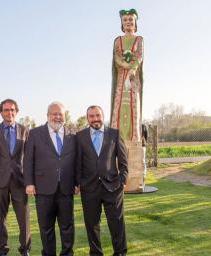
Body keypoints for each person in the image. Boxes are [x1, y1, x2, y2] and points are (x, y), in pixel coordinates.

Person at [24, 101, 78, 256]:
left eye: (60, 114)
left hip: (66, 188)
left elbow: (76, 161)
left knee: (67, 226)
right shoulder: (35, 133)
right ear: (47, 116)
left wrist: (77, 182)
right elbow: (28, 160)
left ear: (65, 116)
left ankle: (67, 253)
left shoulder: (72, 134)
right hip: (43, 188)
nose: (57, 117)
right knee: (46, 227)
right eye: (54, 113)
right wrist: (29, 183)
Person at [76, 105, 128, 256]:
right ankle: (96, 253)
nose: (95, 119)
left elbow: (124, 161)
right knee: (92, 225)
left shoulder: (114, 134)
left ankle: (120, 252)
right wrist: (79, 182)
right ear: (87, 119)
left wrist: (122, 180)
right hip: (89, 188)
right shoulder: (80, 136)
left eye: (97, 115)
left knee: (116, 223)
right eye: (91, 116)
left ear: (102, 116)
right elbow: (77, 163)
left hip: (113, 187)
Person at [0, 99, 31, 256]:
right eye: (6, 110)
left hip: (20, 182)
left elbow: (28, 156)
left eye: (12, 110)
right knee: (0, 218)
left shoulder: (25, 131)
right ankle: (2, 250)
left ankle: (25, 250)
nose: (9, 113)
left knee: (24, 219)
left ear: (16, 111)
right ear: (1, 112)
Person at [110, 9, 143, 143]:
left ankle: (134, 136)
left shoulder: (139, 39)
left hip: (133, 77)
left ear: (135, 23)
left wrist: (133, 69)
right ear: (122, 24)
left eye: (130, 20)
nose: (128, 22)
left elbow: (139, 56)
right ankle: (117, 137)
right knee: (119, 104)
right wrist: (126, 65)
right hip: (121, 77)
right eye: (125, 20)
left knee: (133, 104)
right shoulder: (118, 40)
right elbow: (116, 57)